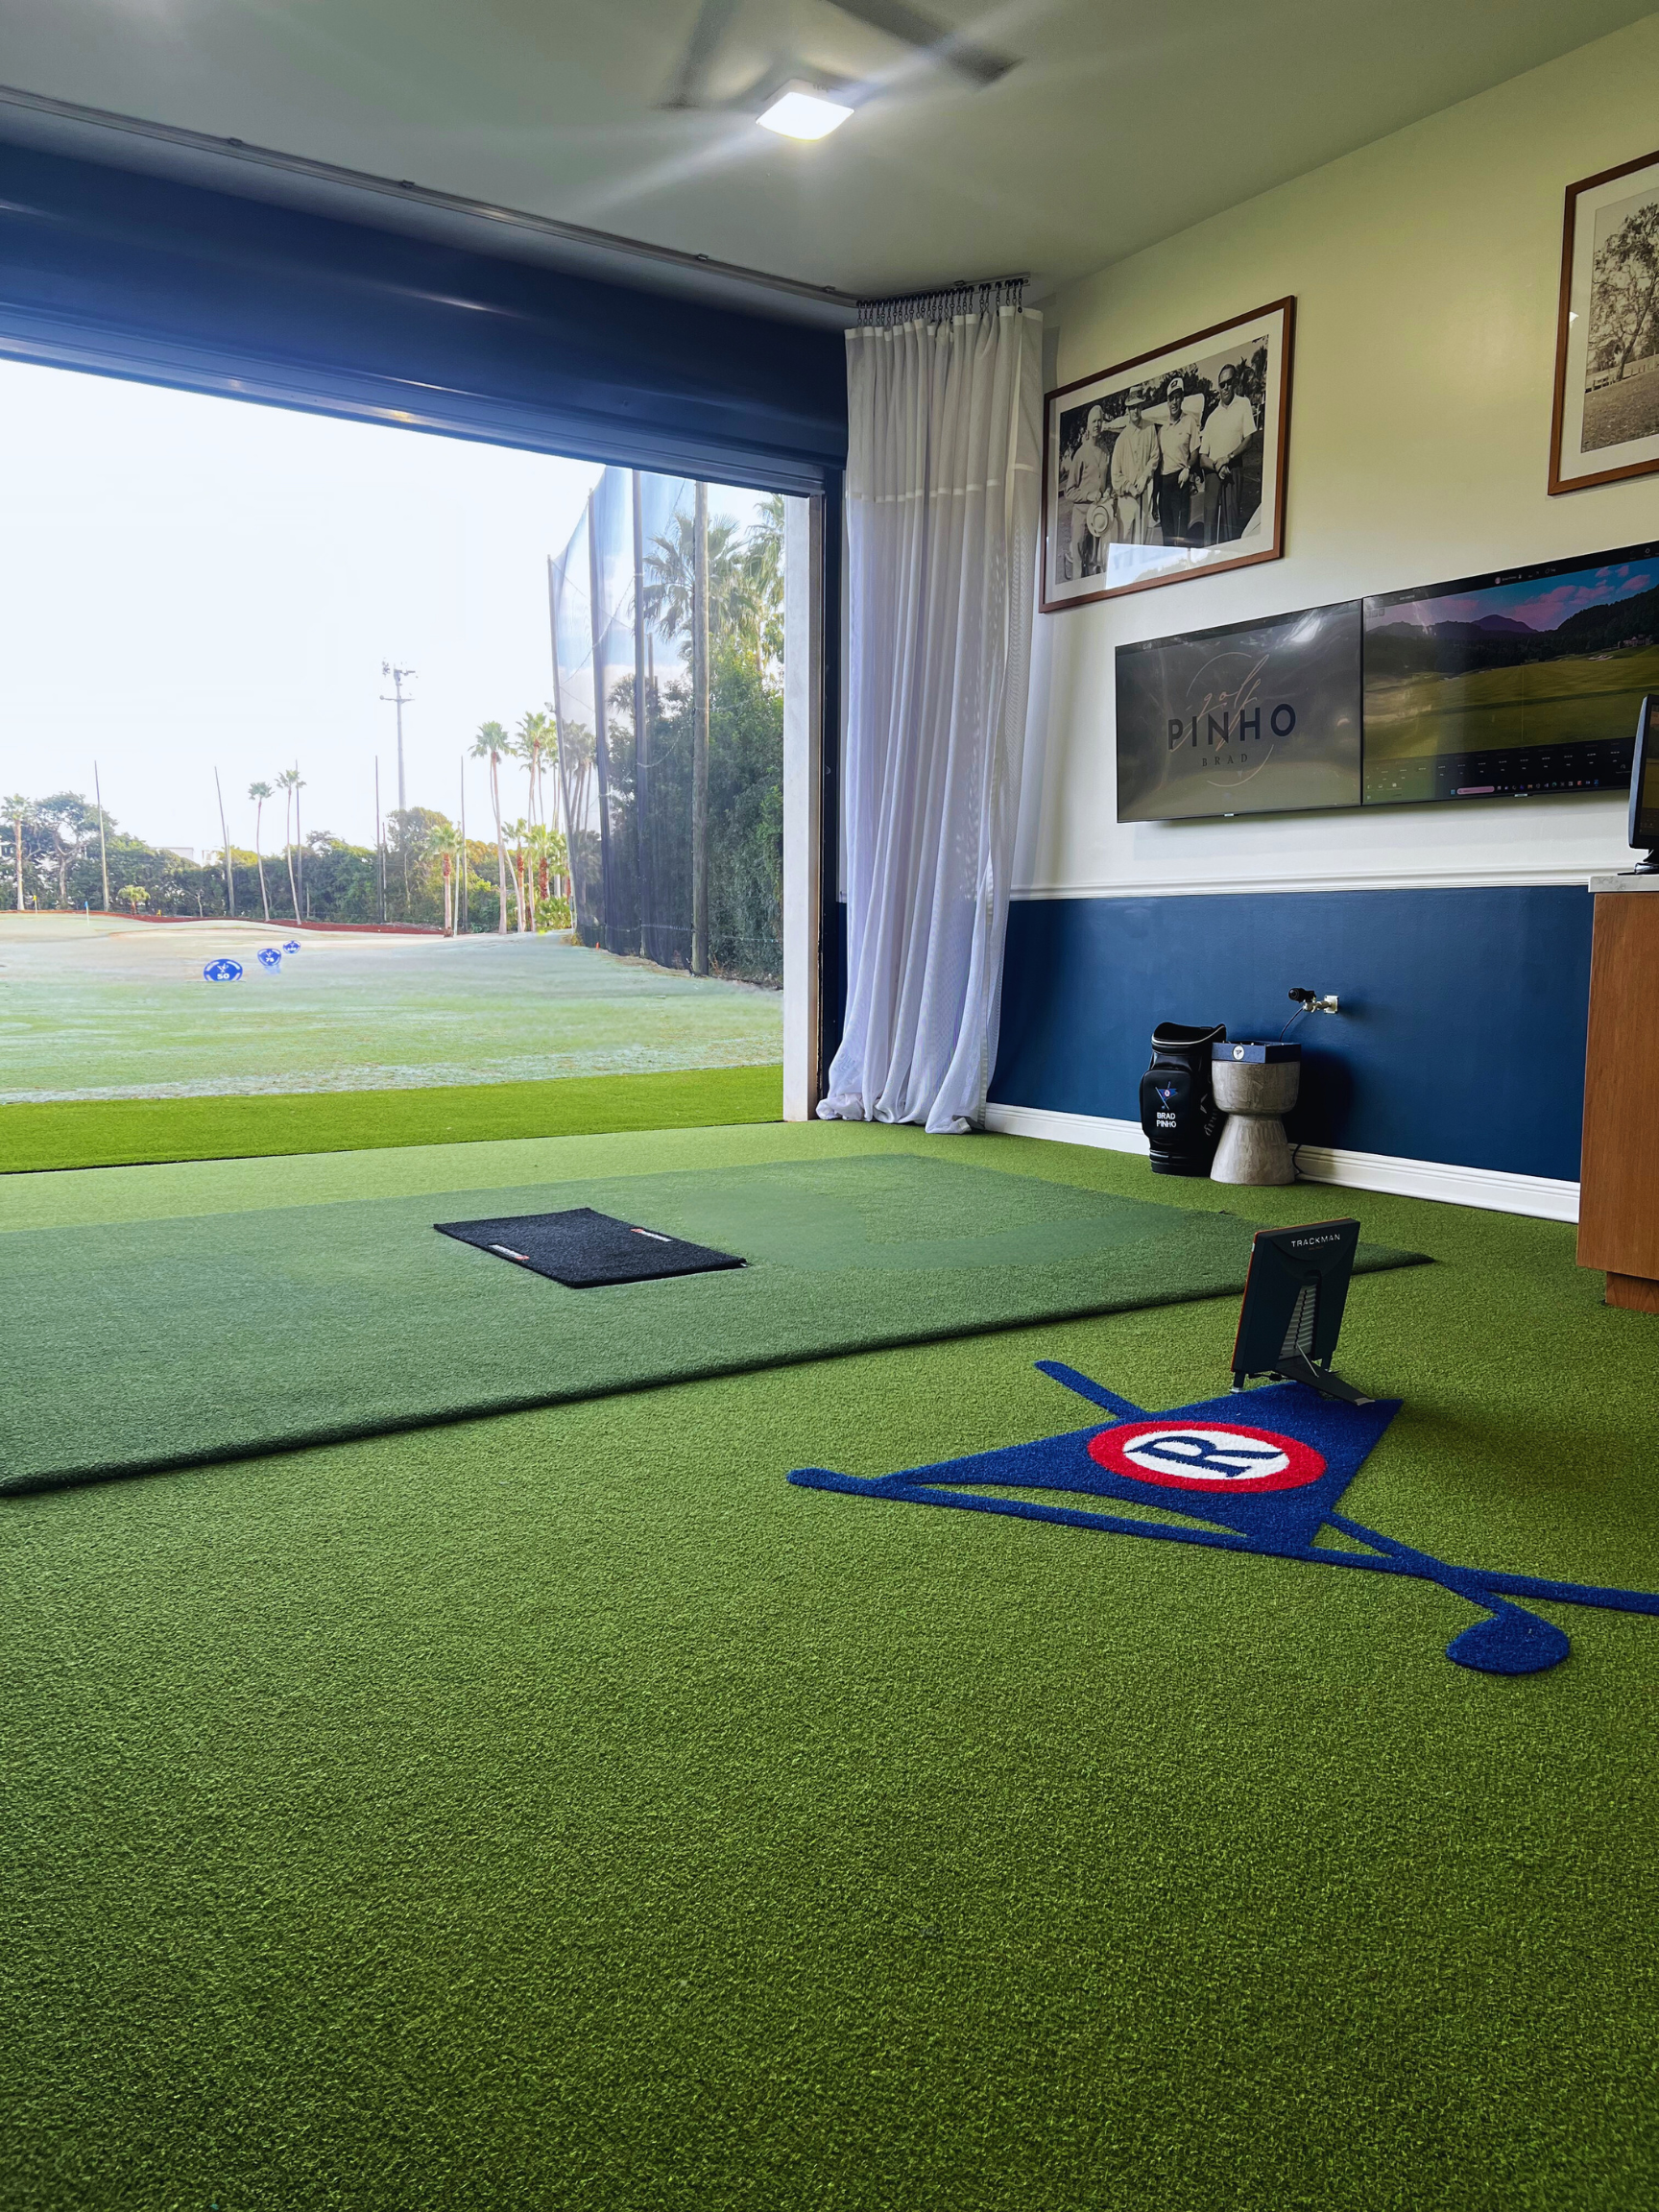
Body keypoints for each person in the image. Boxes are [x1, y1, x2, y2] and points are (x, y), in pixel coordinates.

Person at [1197, 363, 1257, 544]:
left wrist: (1228, 459)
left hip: (1233, 469)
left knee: (1231, 525)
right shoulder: (1212, 416)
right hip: (1214, 473)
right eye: (1222, 384)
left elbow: (1249, 439)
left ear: (1235, 382)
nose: (1225, 388)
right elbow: (1202, 458)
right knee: (1210, 525)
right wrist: (1217, 464)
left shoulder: (1243, 404)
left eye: (1229, 382)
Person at [1058, 405, 1113, 578]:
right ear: (1088, 426)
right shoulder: (1080, 454)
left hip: (1099, 518)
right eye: (1093, 421)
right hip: (1082, 517)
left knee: (1095, 562)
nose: (1097, 424)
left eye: (1099, 421)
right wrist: (1088, 495)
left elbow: (1108, 483)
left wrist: (1107, 492)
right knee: (1079, 563)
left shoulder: (1105, 452)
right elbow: (1069, 491)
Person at [1155, 375, 1200, 546]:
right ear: (1167, 401)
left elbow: (1195, 450)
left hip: (1181, 482)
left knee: (1181, 537)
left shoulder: (1190, 422)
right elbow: (1157, 461)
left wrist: (1188, 468)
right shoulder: (1162, 430)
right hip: (1165, 485)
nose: (1174, 402)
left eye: (1177, 398)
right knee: (1167, 537)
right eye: (1171, 398)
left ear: (1182, 399)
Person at [1109, 397, 1160, 545]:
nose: (1135, 411)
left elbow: (1155, 455)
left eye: (1137, 406)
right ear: (1127, 410)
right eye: (1131, 407)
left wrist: (1145, 475)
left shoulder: (1150, 429)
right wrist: (1129, 487)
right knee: (1125, 541)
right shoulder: (1122, 439)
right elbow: (1115, 475)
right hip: (1126, 501)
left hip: (1144, 497)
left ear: (1141, 407)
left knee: (1141, 542)